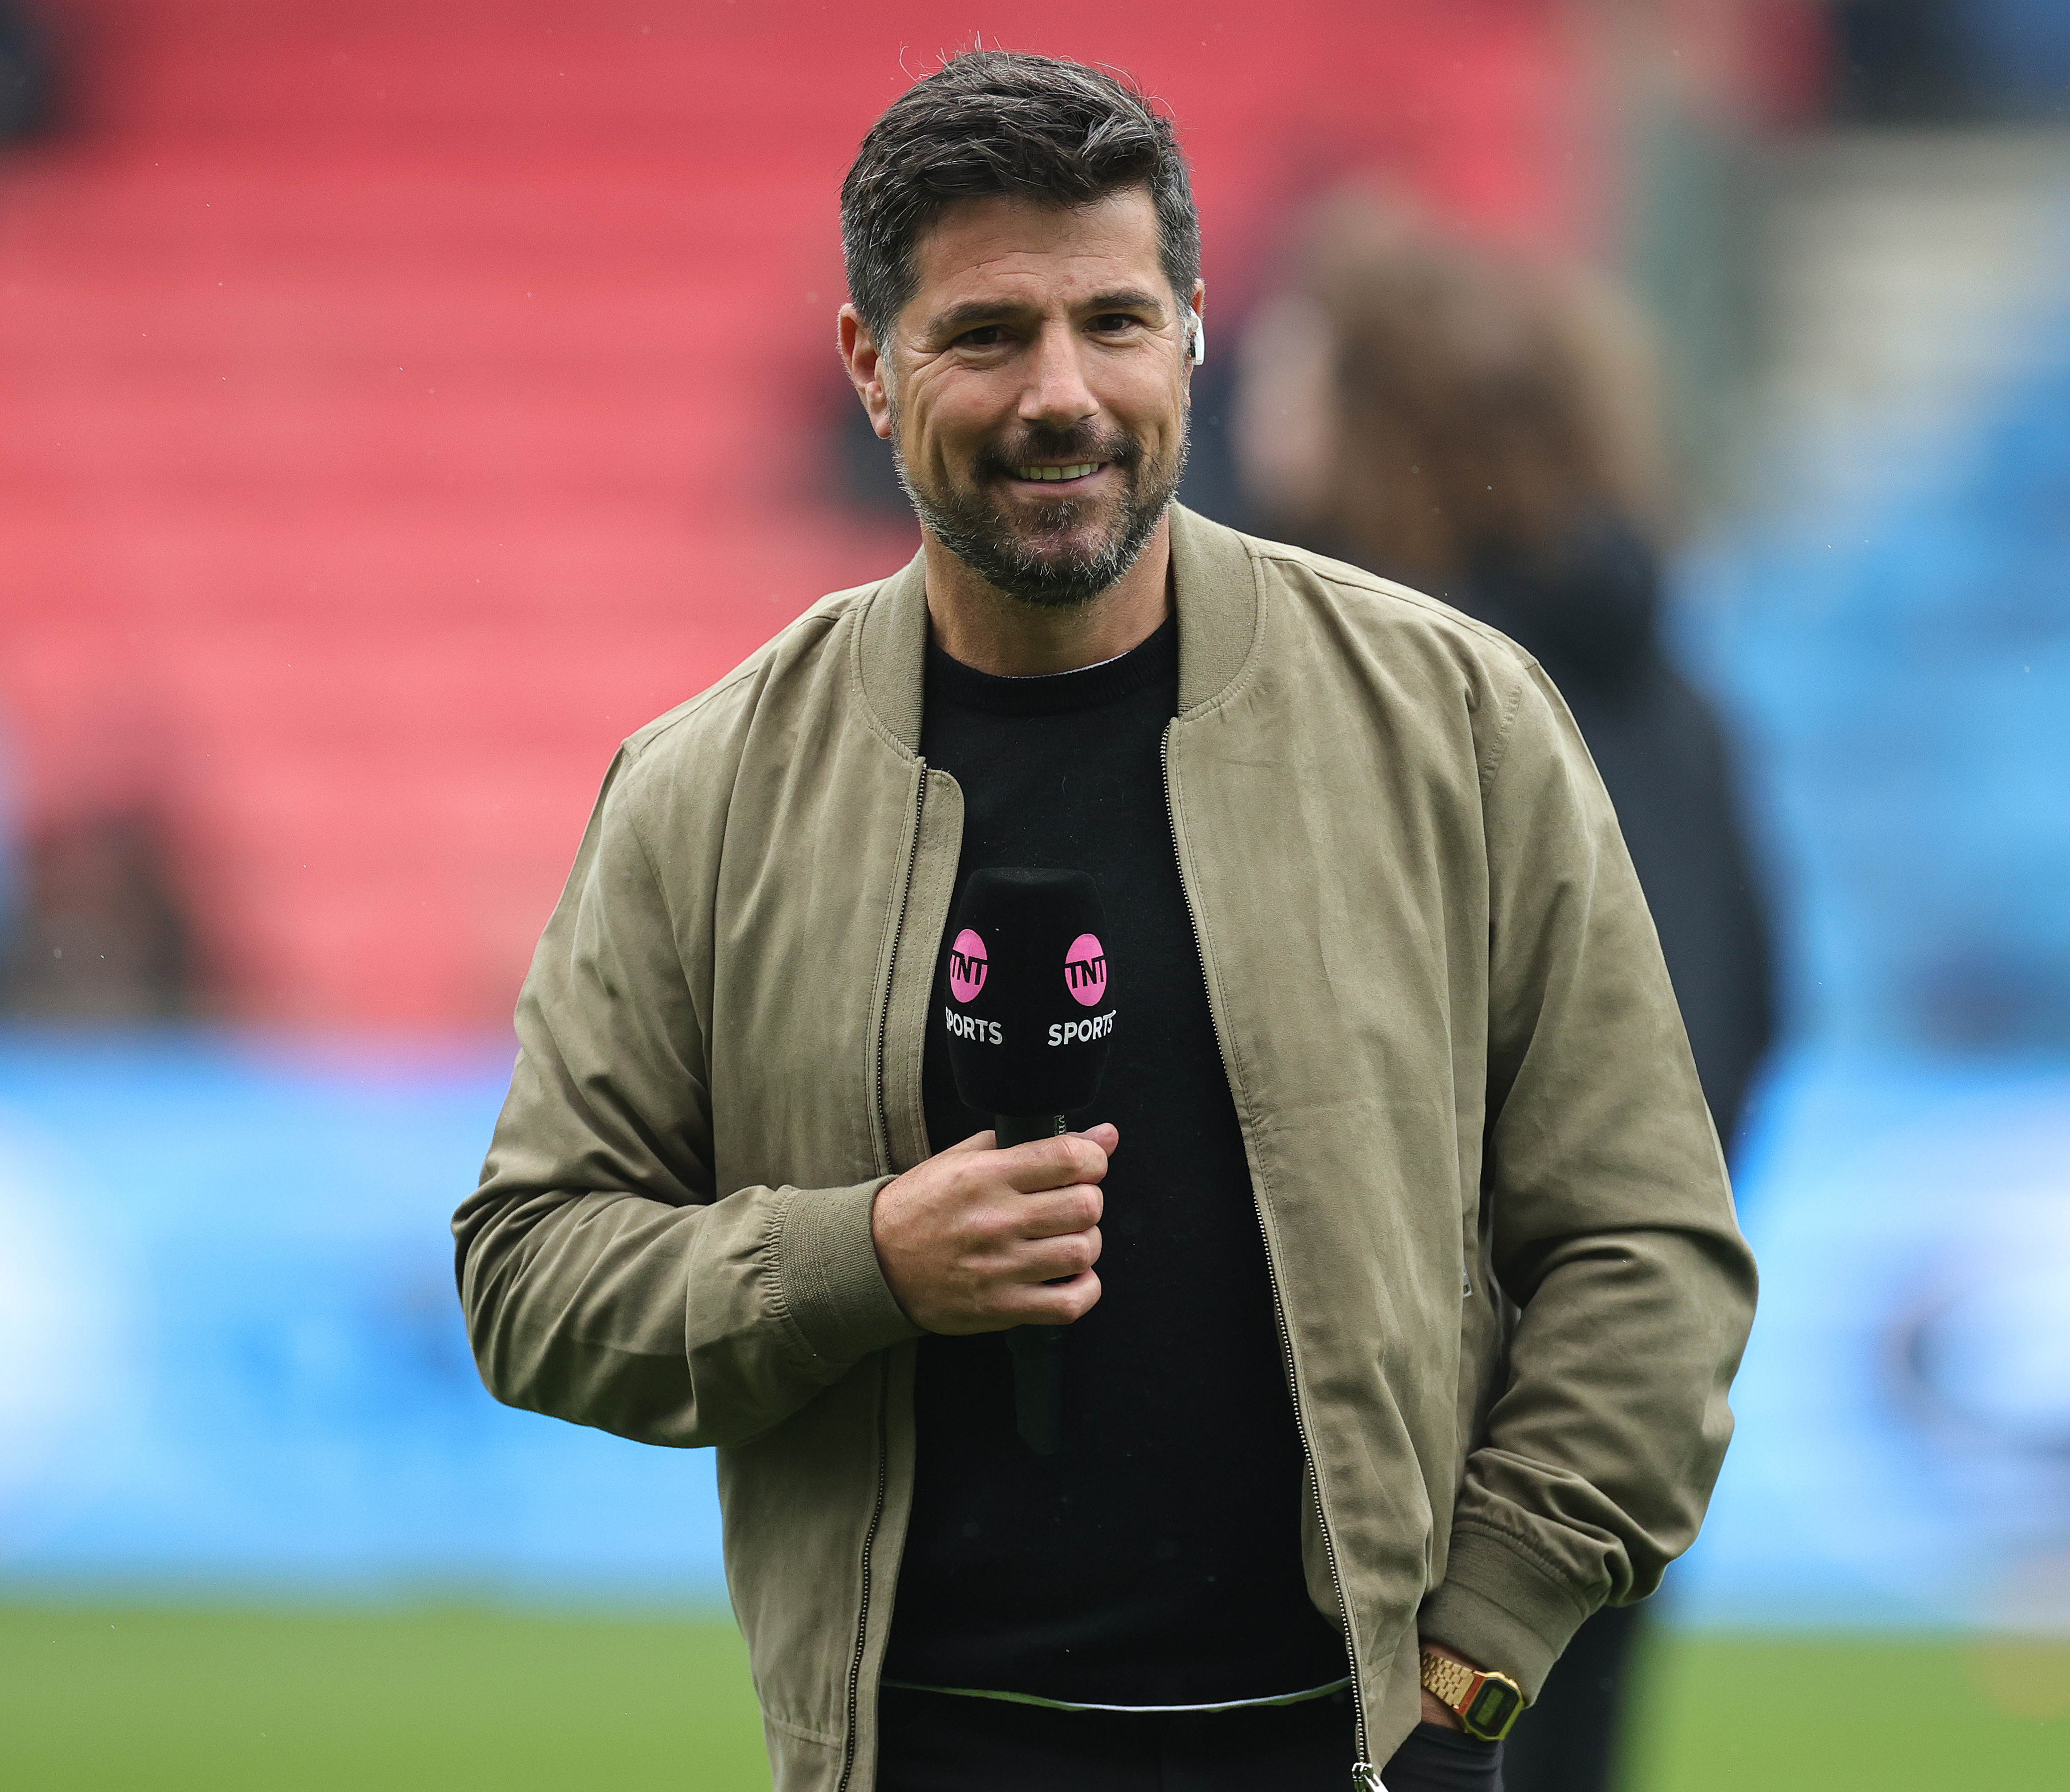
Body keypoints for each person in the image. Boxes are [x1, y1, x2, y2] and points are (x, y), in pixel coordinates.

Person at [456, 51, 1754, 1792]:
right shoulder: (708, 788)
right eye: (986, 334)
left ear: (1196, 335)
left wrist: (1481, 1658)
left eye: (1114, 322)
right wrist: (864, 1262)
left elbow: (1645, 1245)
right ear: (869, 361)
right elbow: (531, 1270)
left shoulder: (1453, 719)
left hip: (1355, 1753)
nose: (1060, 392)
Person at [1234, 197, 1779, 1792]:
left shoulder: (1381, 697)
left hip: (1397, 1405)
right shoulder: (1670, 697)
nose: (1240, 411)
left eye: (1283, 372)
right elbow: (1753, 1015)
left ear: (1364, 415)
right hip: (1626, 1386)